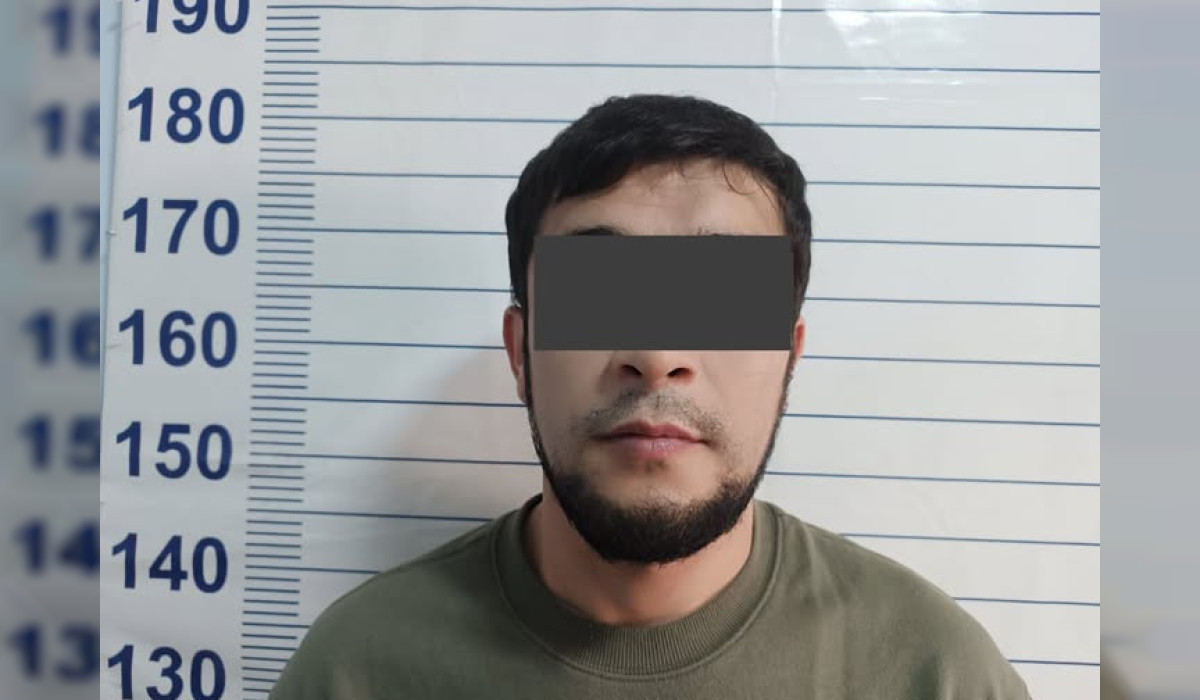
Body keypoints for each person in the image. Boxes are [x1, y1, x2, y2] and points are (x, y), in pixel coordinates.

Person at [268, 94, 1032, 699]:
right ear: (520, 352)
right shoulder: (355, 671)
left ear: (789, 358)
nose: (658, 357)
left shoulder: (934, 675)